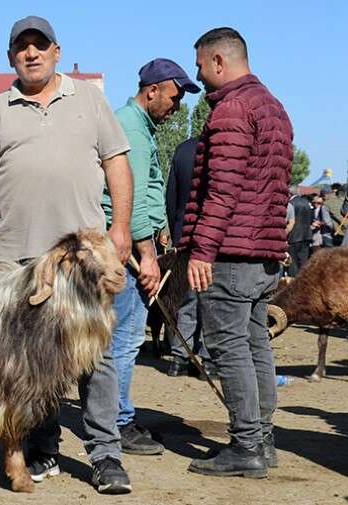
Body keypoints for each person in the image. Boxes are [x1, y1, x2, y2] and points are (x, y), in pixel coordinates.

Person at [0, 15, 135, 494]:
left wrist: (120, 228)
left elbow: (117, 163)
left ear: (56, 51)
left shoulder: (90, 98)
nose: (31, 53)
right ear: (12, 56)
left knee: (97, 358)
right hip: (19, 259)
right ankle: (43, 446)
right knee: (27, 360)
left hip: (83, 259)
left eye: (40, 45)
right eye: (22, 47)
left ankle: (106, 454)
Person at [181, 27, 292, 478]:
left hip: (230, 252)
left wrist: (202, 250)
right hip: (262, 252)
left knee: (229, 348)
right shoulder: (273, 107)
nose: (199, 73)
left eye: (201, 65)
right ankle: (262, 441)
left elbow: (221, 190)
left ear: (219, 62)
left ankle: (246, 446)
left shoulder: (231, 108)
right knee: (254, 345)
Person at [100, 58, 201, 454]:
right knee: (125, 340)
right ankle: (118, 422)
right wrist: (147, 256)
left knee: (122, 338)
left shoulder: (139, 127)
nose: (176, 107)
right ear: (153, 90)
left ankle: (118, 414)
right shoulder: (132, 131)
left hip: (136, 245)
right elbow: (132, 200)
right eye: (174, 98)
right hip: (127, 251)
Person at [165, 137, 214, 377]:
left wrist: (177, 234)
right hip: (213, 234)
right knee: (211, 297)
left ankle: (179, 357)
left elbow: (171, 195)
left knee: (189, 296)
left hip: (184, 231)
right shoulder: (221, 146)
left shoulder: (183, 148)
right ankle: (207, 358)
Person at [285, 185, 312, 275]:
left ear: (289, 193)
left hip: (293, 236)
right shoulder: (306, 203)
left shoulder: (290, 203)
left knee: (293, 263)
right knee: (304, 262)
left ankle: (293, 282)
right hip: (306, 235)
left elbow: (288, 221)